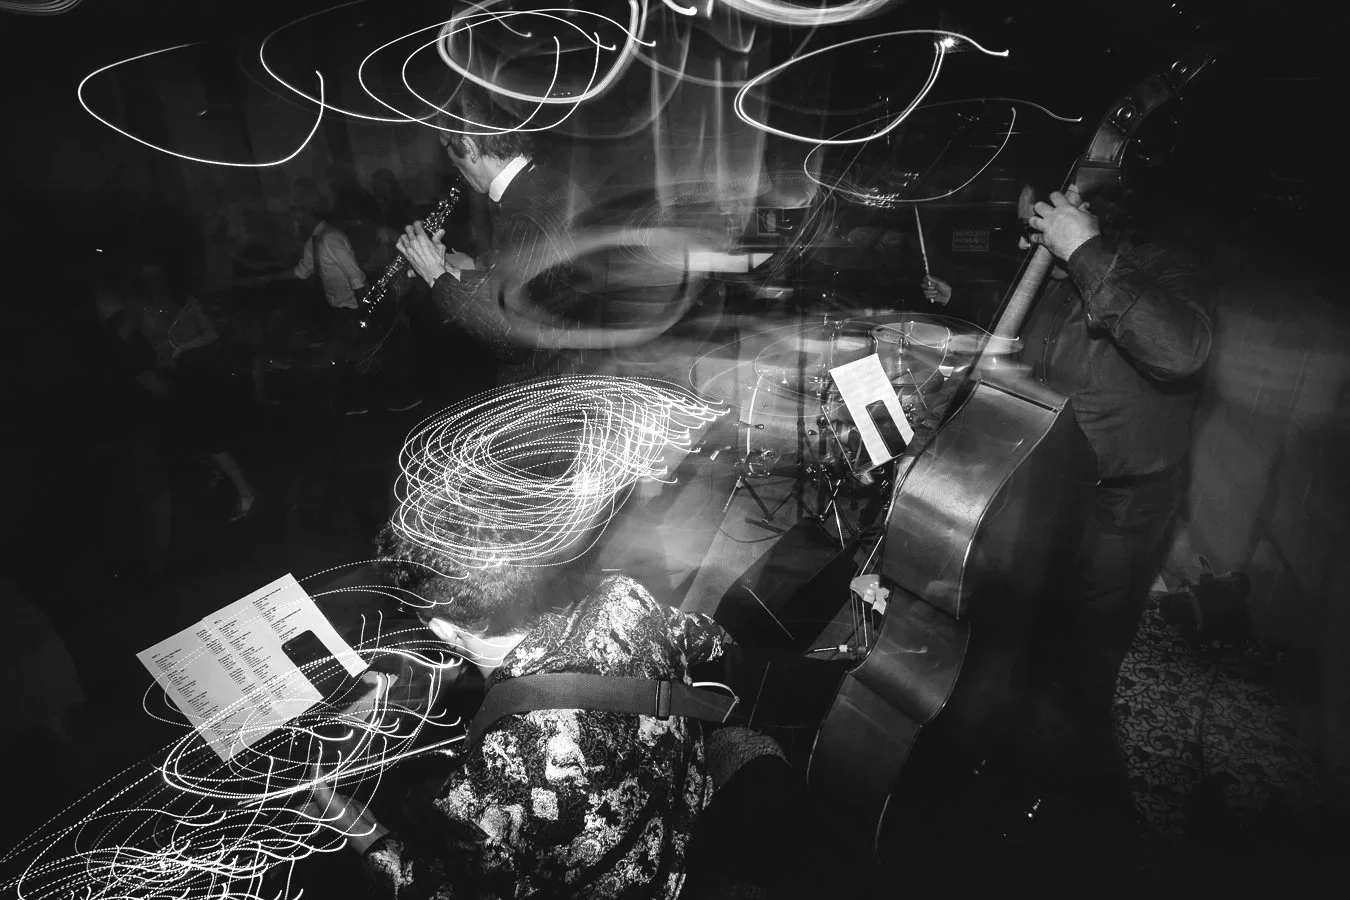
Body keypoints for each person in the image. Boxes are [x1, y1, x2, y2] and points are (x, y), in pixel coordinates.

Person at [924, 180, 1214, 826]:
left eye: (1043, 209)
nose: (1029, 220)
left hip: (1125, 500)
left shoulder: (1167, 257)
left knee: (1083, 660)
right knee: (1013, 633)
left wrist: (1084, 250)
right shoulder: (1056, 266)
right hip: (1048, 482)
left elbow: (1182, 350)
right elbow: (1039, 345)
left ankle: (1079, 814)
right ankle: (992, 774)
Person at [306, 510, 734, 899]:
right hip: (700, 814)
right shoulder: (625, 597)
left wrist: (353, 823)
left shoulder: (486, 788)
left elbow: (434, 888)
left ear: (442, 629)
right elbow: (711, 640)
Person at [395, 89, 589, 385]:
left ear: (470, 147)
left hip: (550, 381)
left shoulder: (524, 212)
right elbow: (535, 288)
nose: (455, 168)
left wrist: (437, 277)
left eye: (452, 157)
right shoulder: (546, 180)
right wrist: (455, 270)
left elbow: (511, 342)